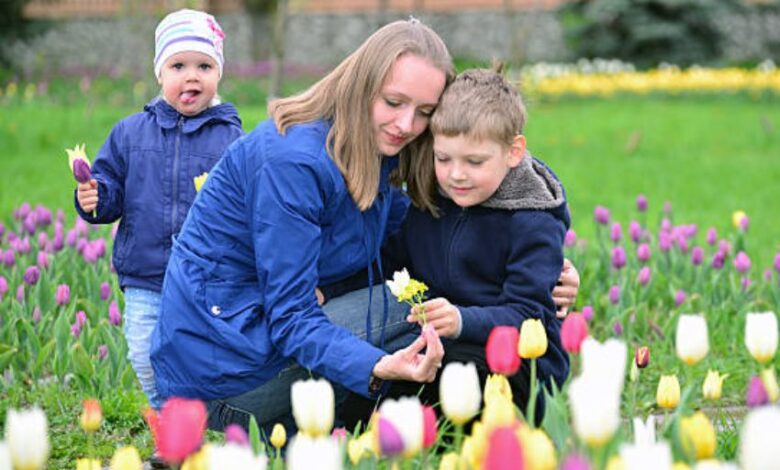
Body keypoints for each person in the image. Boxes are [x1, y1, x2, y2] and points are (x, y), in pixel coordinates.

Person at [150, 19, 452, 438]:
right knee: (418, 302)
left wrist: (531, 259)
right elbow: (292, 317)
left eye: (425, 112)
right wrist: (376, 366)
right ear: (362, 85)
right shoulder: (295, 162)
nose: (406, 124)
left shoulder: (373, 151)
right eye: (394, 101)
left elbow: (424, 235)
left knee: (437, 291)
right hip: (219, 384)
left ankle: (336, 428)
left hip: (252, 343)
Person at [74, 9, 244, 412]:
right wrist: (96, 199)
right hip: (146, 273)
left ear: (218, 74)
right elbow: (109, 186)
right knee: (143, 353)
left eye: (205, 66)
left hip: (205, 277)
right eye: (178, 65)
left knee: (196, 356)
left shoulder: (231, 138)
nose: (192, 76)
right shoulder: (131, 133)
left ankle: (192, 421)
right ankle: (173, 422)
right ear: (159, 74)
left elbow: (246, 200)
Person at [383, 65, 572, 423]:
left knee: (454, 381)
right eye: (443, 158)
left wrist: (459, 320)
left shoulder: (532, 220)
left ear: (513, 152)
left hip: (517, 364)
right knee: (389, 392)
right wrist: (332, 288)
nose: (456, 174)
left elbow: (529, 314)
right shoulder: (431, 201)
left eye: (474, 161)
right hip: (444, 347)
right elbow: (393, 263)